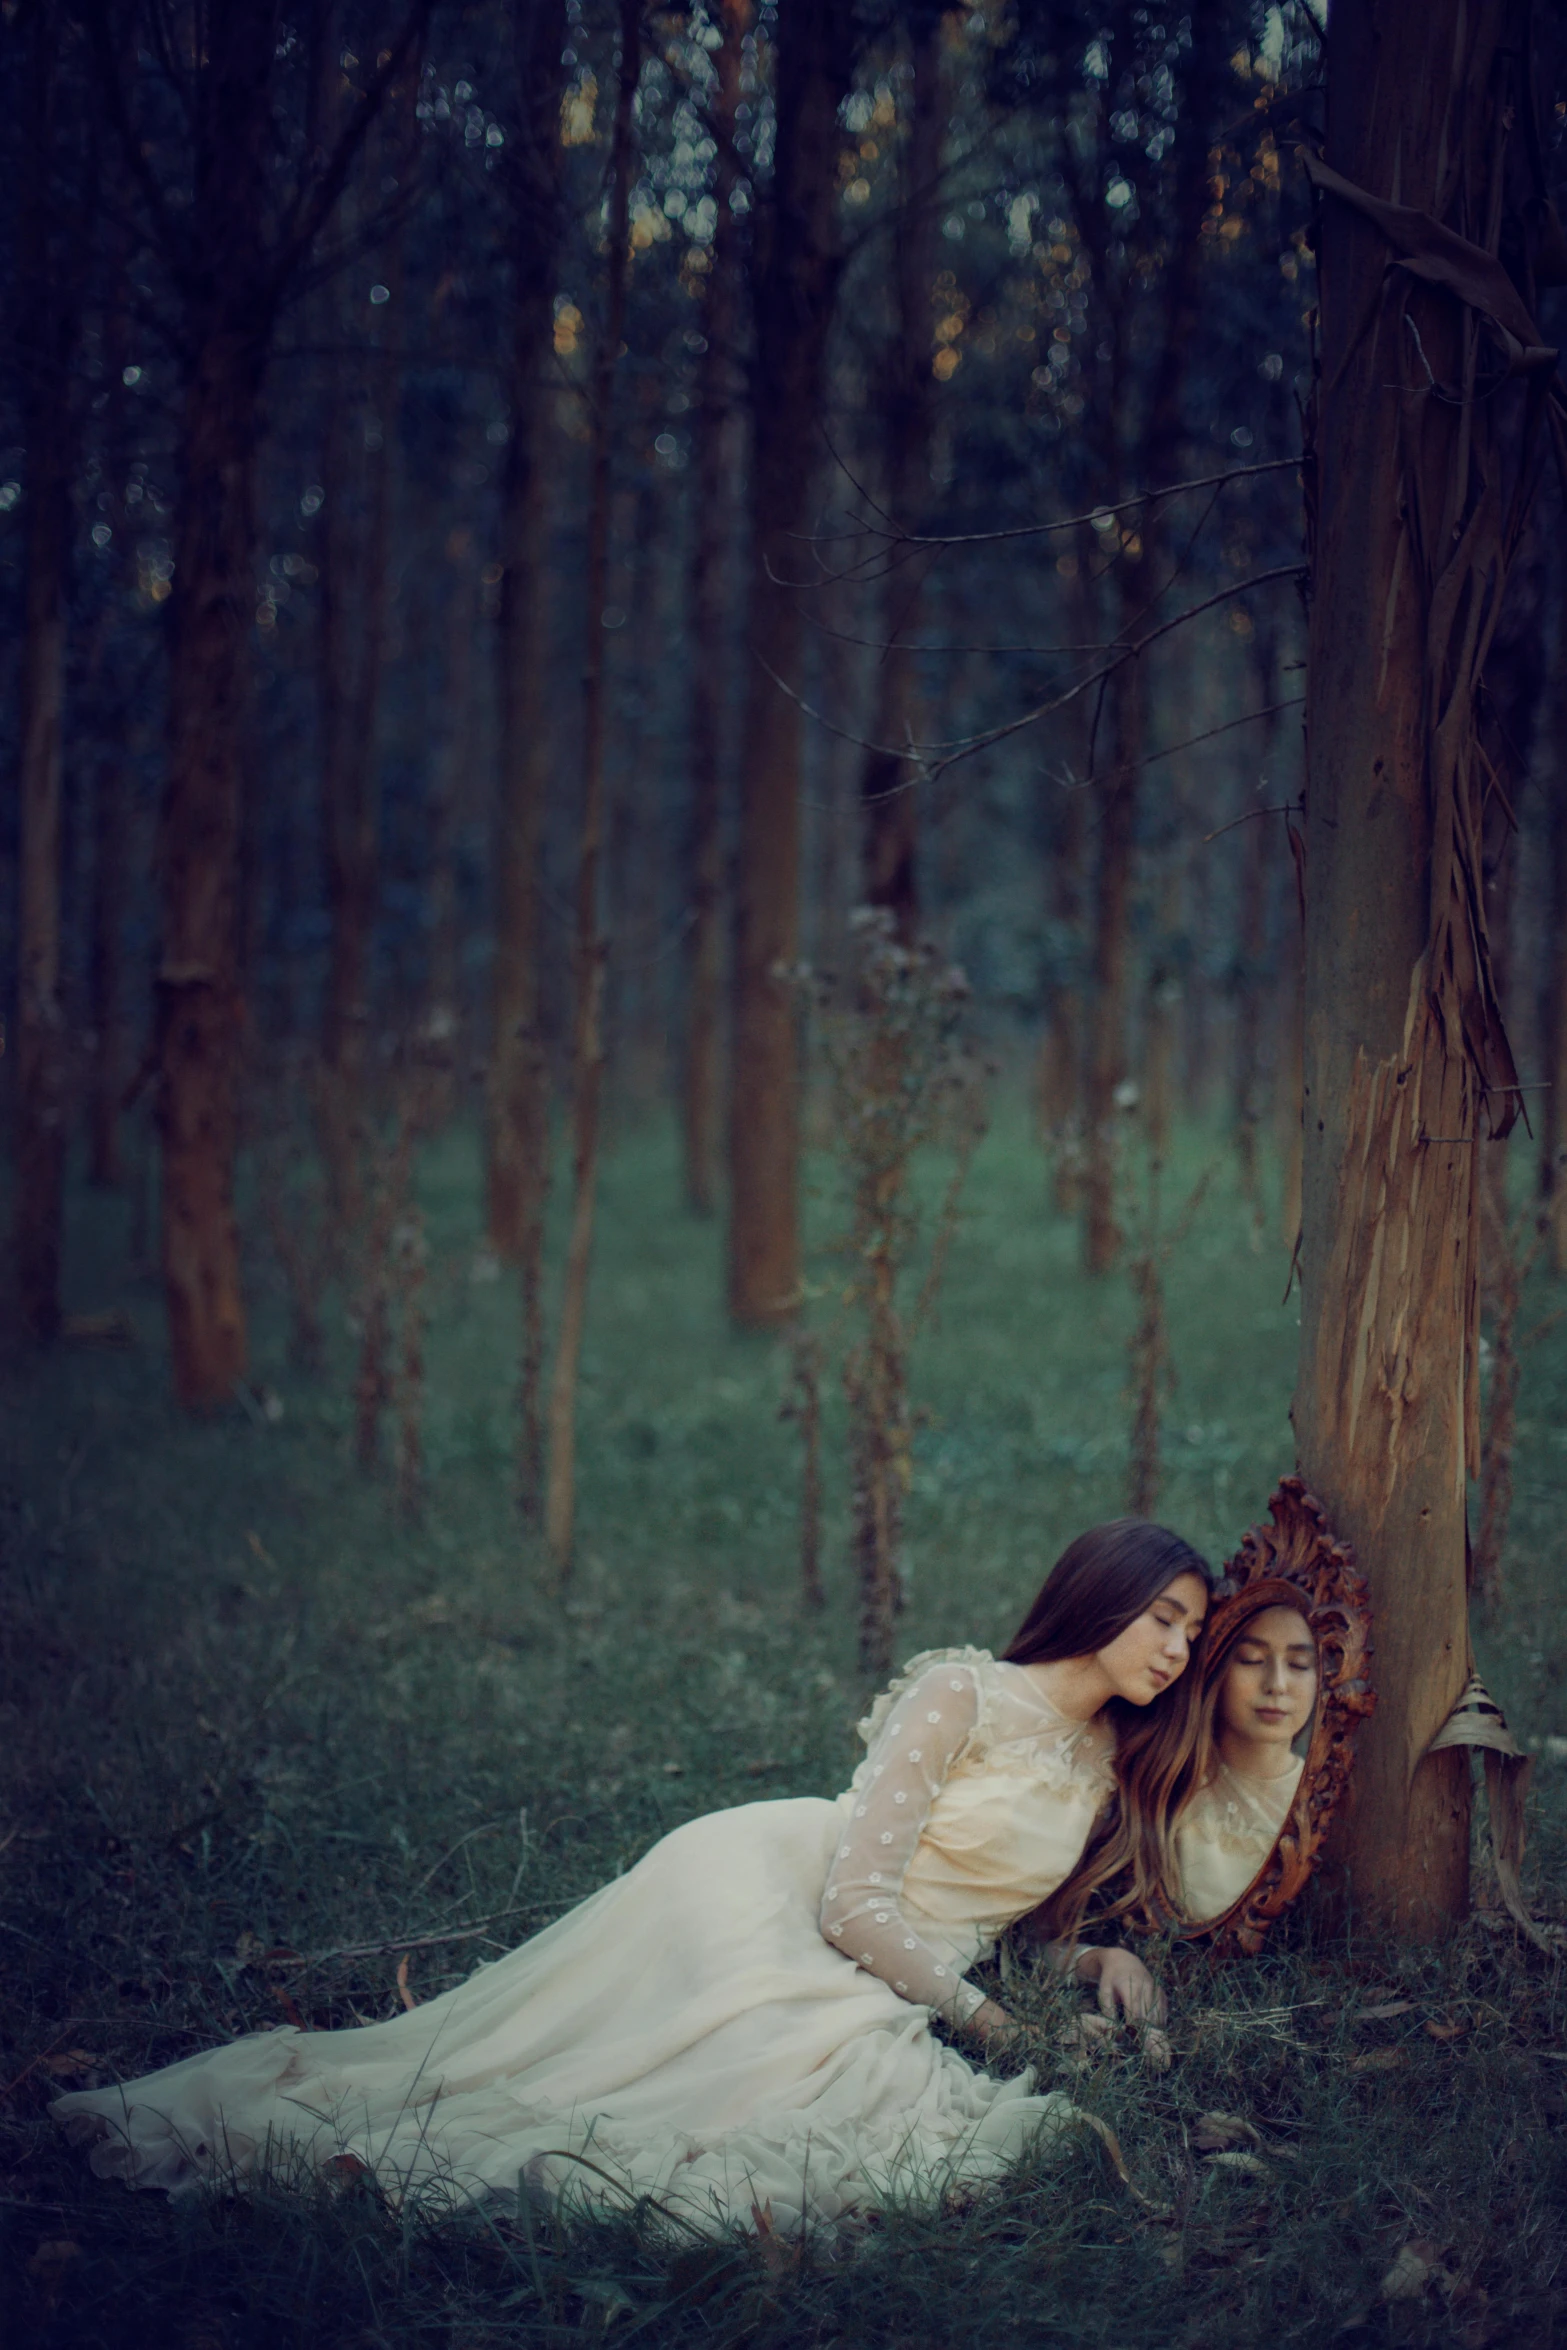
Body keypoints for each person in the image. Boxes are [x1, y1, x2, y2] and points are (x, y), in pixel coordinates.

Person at [54, 1519, 1209, 2235]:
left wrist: (1094, 1952)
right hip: (771, 1887)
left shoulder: (1106, 1759)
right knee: (770, 2095)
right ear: (1101, 1594)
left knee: (840, 2096)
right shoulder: (960, 1692)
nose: (1171, 1648)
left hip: (887, 1949)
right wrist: (993, 2026)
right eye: (1161, 1616)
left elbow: (980, 1917)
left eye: (1188, 1636)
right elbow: (855, 1901)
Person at [1171, 1580, 1317, 1926]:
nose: (1277, 1684)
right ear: (1216, 1665)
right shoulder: (1172, 1781)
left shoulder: (1325, 1800)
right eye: (1251, 1660)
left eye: (1299, 1664)